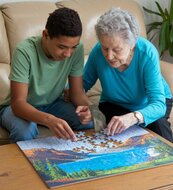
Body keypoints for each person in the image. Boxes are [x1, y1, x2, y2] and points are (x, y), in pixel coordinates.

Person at [0, 7, 94, 143]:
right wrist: (49, 119)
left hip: (53, 103)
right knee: (25, 131)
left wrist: (89, 110)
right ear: (45, 35)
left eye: (73, 47)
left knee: (88, 123)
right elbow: (18, 103)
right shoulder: (24, 51)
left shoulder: (77, 49)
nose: (68, 54)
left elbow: (77, 93)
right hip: (20, 107)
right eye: (62, 47)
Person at [83, 7, 173, 142]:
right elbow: (82, 84)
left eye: (117, 49)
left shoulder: (147, 53)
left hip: (149, 105)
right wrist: (71, 94)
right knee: (114, 133)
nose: (109, 55)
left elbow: (159, 105)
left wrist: (133, 117)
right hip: (114, 104)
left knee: (159, 127)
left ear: (132, 44)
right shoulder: (97, 52)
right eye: (105, 48)